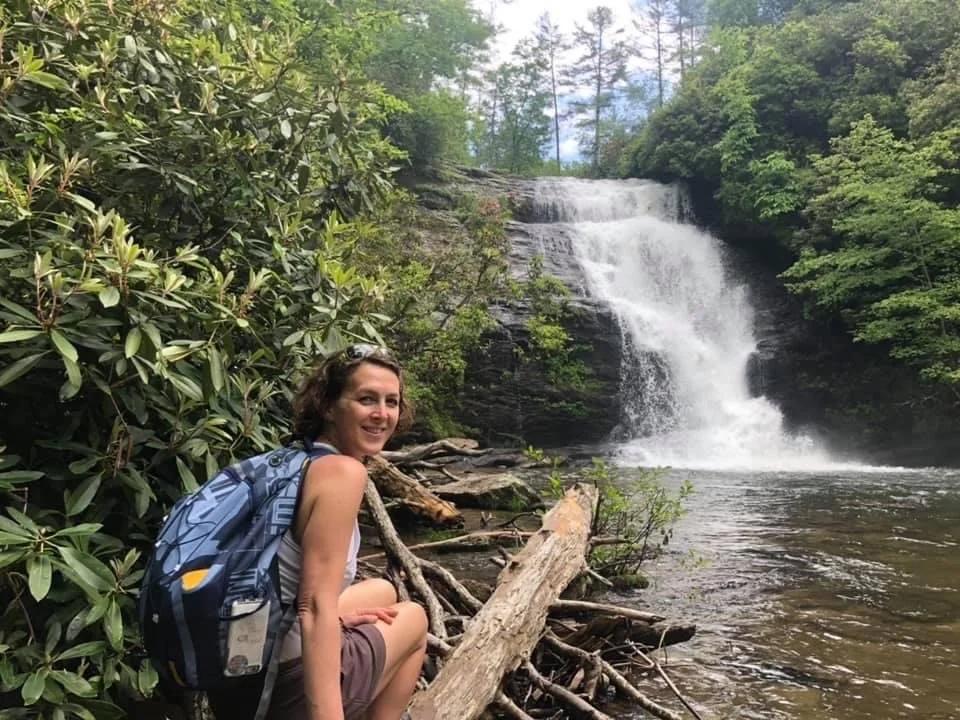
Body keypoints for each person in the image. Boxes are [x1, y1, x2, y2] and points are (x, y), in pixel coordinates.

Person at [210, 344, 428, 720]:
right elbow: (313, 609)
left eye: (391, 402)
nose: (382, 414)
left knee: (383, 590)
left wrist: (339, 621)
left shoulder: (293, 460)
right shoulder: (344, 474)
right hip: (275, 690)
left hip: (234, 669)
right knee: (413, 618)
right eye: (366, 399)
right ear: (328, 406)